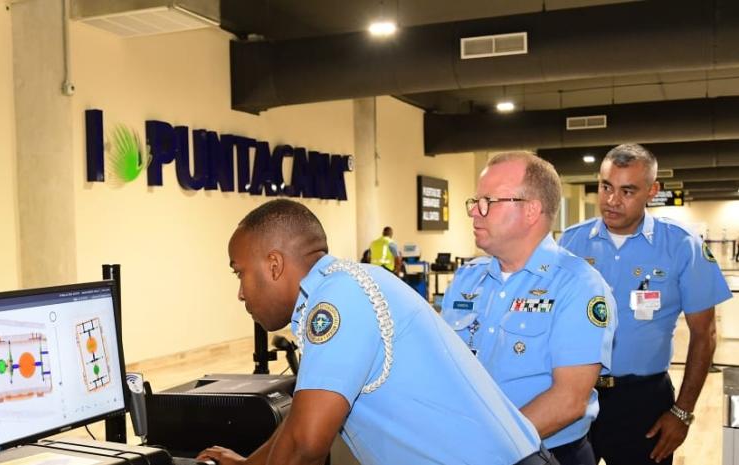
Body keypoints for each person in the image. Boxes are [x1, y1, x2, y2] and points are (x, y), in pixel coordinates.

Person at [199, 199, 554, 465]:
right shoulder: (345, 285)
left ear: (274, 264)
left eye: (239, 272)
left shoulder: (337, 300)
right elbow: (302, 417)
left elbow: (305, 445)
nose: (241, 292)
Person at [559, 143, 731, 465]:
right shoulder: (570, 242)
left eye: (627, 191)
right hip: (575, 394)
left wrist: (682, 413)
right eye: (606, 187)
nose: (611, 201)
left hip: (642, 401)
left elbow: (704, 334)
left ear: (652, 191)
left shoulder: (681, 245)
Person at [440, 151, 616, 465]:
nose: (474, 213)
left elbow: (569, 400)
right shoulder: (467, 279)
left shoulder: (578, 285)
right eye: (474, 201)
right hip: (464, 449)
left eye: (488, 202)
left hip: (546, 453)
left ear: (531, 210)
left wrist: (487, 446)